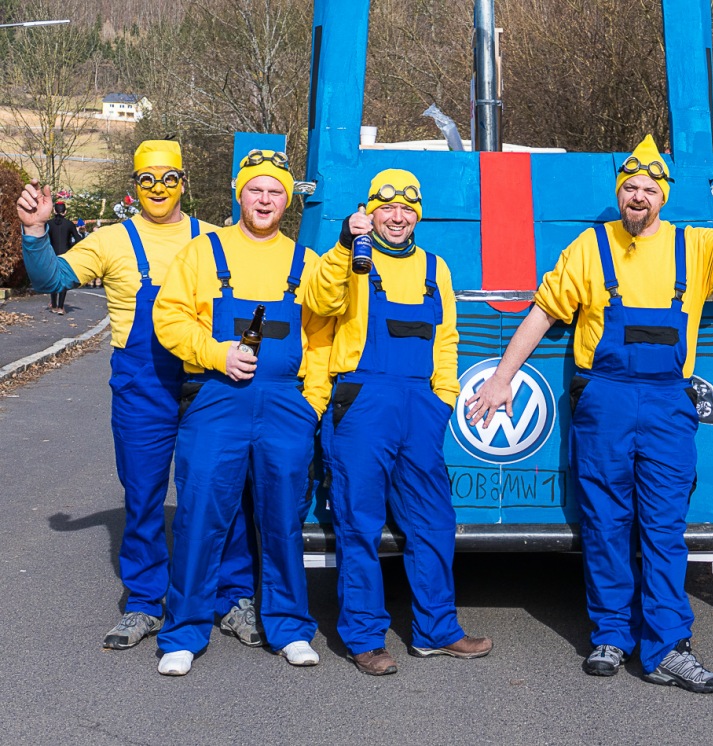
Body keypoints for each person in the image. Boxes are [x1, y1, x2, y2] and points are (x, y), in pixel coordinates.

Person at [466, 134, 713, 694]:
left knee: (664, 529)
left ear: (663, 196)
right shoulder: (588, 249)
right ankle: (611, 636)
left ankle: (666, 648)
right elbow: (543, 312)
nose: (638, 197)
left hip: (667, 405)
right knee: (607, 524)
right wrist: (501, 377)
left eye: (648, 189)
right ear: (621, 194)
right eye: (630, 188)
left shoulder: (698, 247)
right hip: (606, 403)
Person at [17, 141, 261, 651]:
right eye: (147, 180)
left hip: (206, 382)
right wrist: (36, 231)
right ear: (135, 185)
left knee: (221, 492)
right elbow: (51, 278)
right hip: (141, 385)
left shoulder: (216, 239)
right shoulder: (110, 241)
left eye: (168, 178)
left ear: (183, 181)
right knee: (144, 495)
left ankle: (233, 597)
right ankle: (147, 603)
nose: (158, 189)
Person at [152, 149, 334, 676]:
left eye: (275, 192)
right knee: (200, 517)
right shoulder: (202, 253)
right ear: (240, 194)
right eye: (256, 189)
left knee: (282, 520)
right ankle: (183, 632)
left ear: (286, 203)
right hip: (216, 400)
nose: (265, 200)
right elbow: (170, 320)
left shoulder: (309, 262)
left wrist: (312, 403)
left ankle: (290, 627)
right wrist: (216, 354)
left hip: (285, 406)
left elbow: (325, 337)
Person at [303, 168, 492, 675]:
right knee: (359, 525)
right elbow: (318, 301)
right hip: (363, 404)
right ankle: (364, 637)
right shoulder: (350, 261)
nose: (397, 216)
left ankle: (437, 630)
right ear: (371, 211)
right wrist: (347, 244)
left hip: (420, 408)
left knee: (433, 522)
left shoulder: (436, 268)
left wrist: (444, 399)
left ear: (417, 214)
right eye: (386, 207)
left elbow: (448, 339)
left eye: (407, 208)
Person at [46, 200, 82, 314]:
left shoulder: (49, 224)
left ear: (54, 211)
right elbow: (78, 239)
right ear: (65, 212)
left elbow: (44, 240)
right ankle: (61, 307)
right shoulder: (69, 224)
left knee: (53, 279)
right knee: (63, 280)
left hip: (52, 253)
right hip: (66, 255)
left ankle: (53, 305)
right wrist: (70, 246)